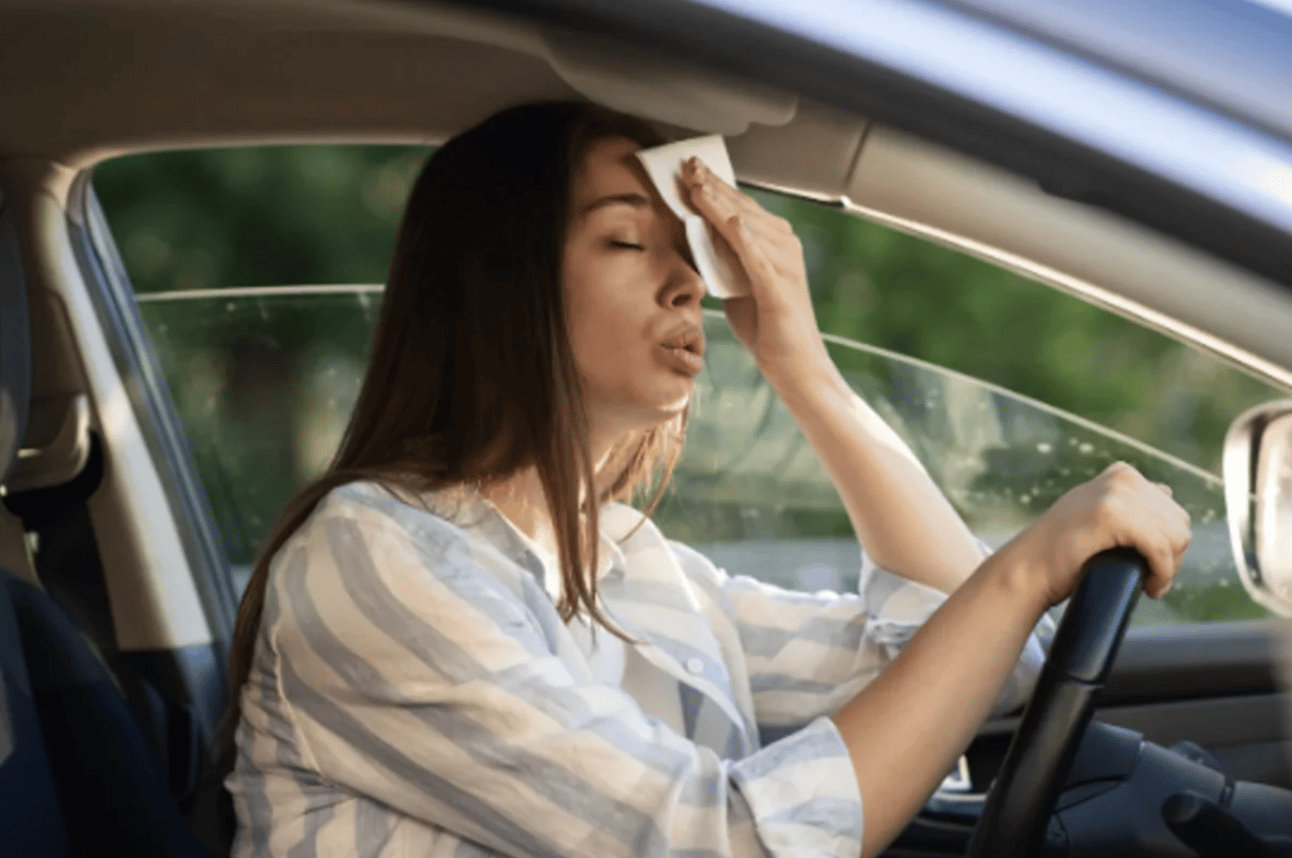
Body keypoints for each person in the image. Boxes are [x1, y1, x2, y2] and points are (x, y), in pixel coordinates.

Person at [222, 101, 1191, 858]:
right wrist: (1026, 567)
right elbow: (722, 842)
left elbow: (984, 668)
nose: (688, 281)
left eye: (688, 249)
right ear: (498, 281)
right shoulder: (371, 559)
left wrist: (803, 369)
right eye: (625, 240)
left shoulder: (630, 566)